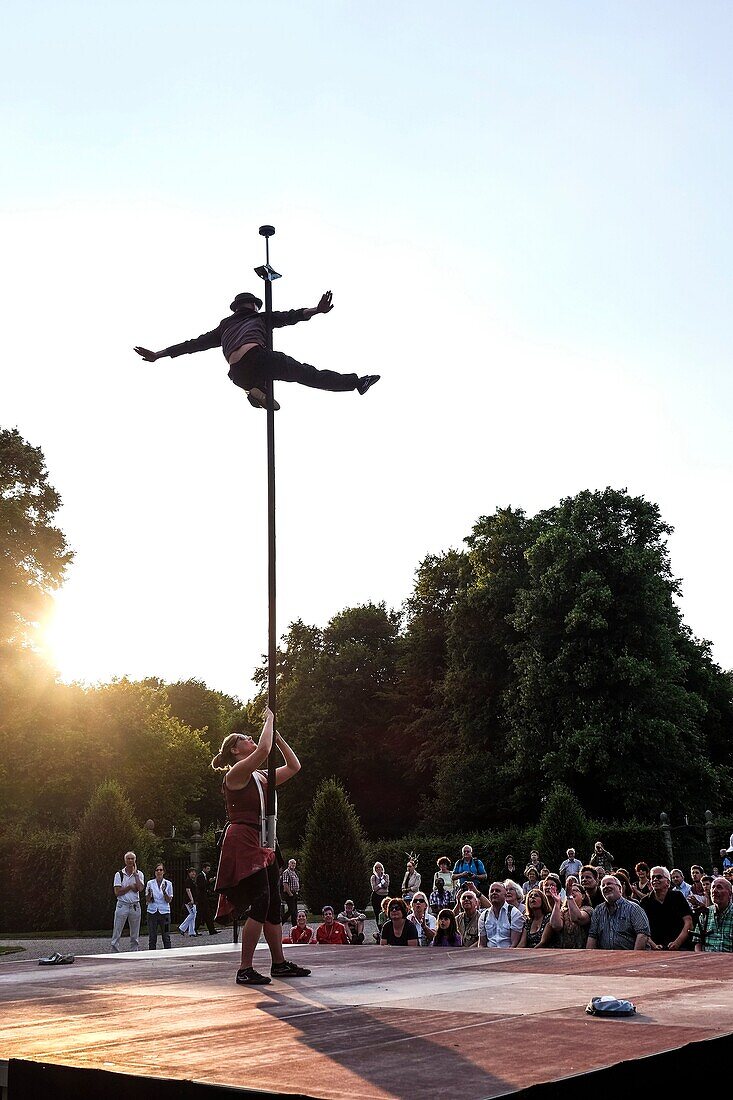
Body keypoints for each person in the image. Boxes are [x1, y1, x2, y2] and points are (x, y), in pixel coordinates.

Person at [134, 291, 379, 411]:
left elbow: (191, 345)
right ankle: (357, 383)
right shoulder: (259, 318)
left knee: (257, 381)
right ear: (252, 305)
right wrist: (316, 310)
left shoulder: (223, 327)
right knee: (308, 374)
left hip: (237, 372)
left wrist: (159, 354)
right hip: (259, 357)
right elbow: (290, 316)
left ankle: (256, 391)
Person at [211, 707, 310, 985]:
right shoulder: (237, 774)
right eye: (244, 738)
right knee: (261, 899)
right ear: (234, 750)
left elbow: (294, 767)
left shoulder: (260, 777)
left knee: (274, 903)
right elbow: (263, 751)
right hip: (243, 841)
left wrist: (277, 735)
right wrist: (268, 720)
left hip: (262, 841)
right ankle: (245, 968)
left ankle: (278, 964)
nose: (250, 738)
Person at [586, 875, 650, 950]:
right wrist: (590, 956)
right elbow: (592, 936)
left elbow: (643, 934)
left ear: (620, 888)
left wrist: (634, 957)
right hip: (605, 958)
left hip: (629, 957)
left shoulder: (633, 908)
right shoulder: (598, 911)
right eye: (603, 885)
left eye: (609, 884)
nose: (606, 887)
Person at [640, 866, 693, 951]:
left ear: (668, 882)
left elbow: (688, 922)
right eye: (652, 877)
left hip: (681, 947)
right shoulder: (645, 902)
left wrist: (677, 942)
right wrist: (653, 945)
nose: (655, 879)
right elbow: (641, 929)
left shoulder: (677, 897)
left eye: (659, 877)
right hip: (654, 949)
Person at [111, 851, 145, 952]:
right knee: (117, 930)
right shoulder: (119, 874)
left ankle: (134, 951)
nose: (130, 861)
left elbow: (140, 888)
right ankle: (114, 951)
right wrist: (130, 887)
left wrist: (135, 875)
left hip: (135, 905)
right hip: (122, 905)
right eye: (128, 859)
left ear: (135, 860)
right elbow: (117, 892)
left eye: (132, 859)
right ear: (125, 860)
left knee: (135, 932)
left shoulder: (139, 874)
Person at [477, 882, 524, 948]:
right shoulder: (484, 916)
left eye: (497, 891)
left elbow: (514, 944)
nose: (494, 893)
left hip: (509, 954)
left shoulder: (514, 914)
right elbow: (482, 944)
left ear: (505, 895)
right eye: (492, 891)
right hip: (488, 954)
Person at [693, 877, 733, 952]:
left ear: (730, 894)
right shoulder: (705, 913)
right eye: (713, 887)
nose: (714, 891)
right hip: (707, 959)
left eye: (719, 887)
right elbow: (697, 942)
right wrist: (700, 957)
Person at [550, 881, 593, 949]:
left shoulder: (588, 909)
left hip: (582, 952)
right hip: (564, 952)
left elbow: (577, 918)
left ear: (583, 896)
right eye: (570, 890)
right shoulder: (563, 911)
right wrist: (557, 902)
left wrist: (570, 896)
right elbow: (556, 926)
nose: (572, 892)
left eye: (575, 890)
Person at [146, 862, 173, 950]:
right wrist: (149, 894)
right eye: (157, 870)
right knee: (152, 937)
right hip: (152, 912)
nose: (159, 872)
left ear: (163, 872)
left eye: (160, 870)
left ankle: (168, 955)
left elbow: (169, 900)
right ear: (154, 872)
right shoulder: (150, 883)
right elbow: (147, 900)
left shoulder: (168, 883)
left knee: (166, 936)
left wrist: (164, 891)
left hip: (164, 913)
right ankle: (152, 955)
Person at [195, 862, 218, 935]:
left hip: (204, 898)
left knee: (207, 915)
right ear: (204, 868)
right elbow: (201, 886)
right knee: (201, 915)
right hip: (201, 899)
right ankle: (195, 929)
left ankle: (211, 930)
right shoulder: (200, 876)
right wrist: (209, 881)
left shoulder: (204, 876)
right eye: (207, 869)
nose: (208, 870)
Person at [280, 859, 300, 928]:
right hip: (289, 894)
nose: (293, 865)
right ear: (289, 864)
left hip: (295, 893)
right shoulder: (286, 872)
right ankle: (281, 922)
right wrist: (290, 893)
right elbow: (285, 883)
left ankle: (294, 926)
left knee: (294, 911)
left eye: (294, 863)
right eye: (292, 863)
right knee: (291, 910)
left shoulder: (294, 872)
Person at [179, 867, 199, 936]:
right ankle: (182, 928)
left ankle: (191, 931)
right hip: (189, 901)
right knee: (192, 914)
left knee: (193, 915)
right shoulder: (188, 881)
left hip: (192, 900)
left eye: (194, 872)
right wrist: (191, 899)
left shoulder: (192, 880)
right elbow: (188, 890)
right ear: (189, 873)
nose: (194, 873)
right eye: (192, 872)